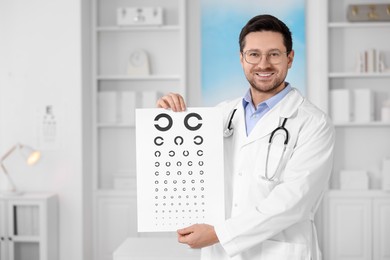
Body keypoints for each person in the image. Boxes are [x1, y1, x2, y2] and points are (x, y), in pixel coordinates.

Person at [156, 14, 335, 260]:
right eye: (254, 54)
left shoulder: (313, 123)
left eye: (274, 54)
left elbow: (294, 201)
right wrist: (168, 121)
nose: (263, 64)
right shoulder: (221, 114)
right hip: (220, 252)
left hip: (279, 251)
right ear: (242, 59)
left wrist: (221, 234)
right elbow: (184, 167)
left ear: (289, 59)